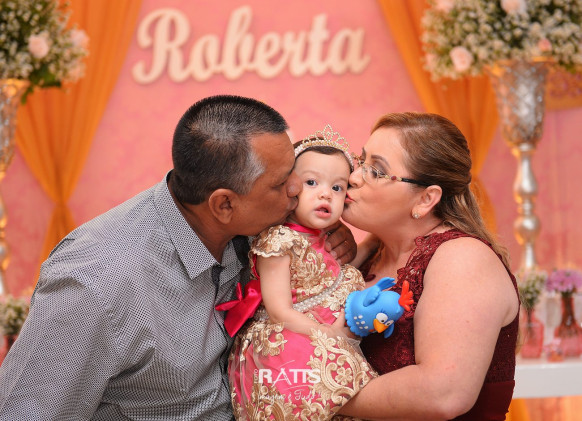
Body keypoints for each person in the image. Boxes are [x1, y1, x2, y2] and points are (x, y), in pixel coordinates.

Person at [0, 95, 357, 420]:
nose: (297, 188)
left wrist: (326, 234)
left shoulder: (255, 226)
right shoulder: (96, 284)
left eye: (294, 172)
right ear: (224, 204)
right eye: (281, 184)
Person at [337, 112, 520, 420]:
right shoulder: (369, 254)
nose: (353, 178)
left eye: (376, 171)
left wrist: (312, 396)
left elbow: (442, 393)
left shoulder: (463, 258)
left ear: (425, 199)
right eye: (360, 161)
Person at [224, 125, 376, 420]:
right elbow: (279, 310)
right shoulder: (279, 241)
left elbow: (332, 276)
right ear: (289, 188)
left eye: (337, 187)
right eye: (311, 182)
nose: (325, 194)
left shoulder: (321, 237)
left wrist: (373, 242)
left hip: (320, 333)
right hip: (290, 338)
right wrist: (328, 335)